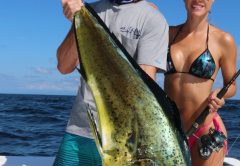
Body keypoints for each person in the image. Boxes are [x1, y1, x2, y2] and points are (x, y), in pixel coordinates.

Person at [54, 0, 169, 165]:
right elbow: (64, 66)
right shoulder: (89, 11)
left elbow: (144, 90)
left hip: (122, 142)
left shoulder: (153, 19)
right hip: (79, 131)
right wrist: (78, 21)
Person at [164, 0, 237, 165]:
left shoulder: (224, 40)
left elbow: (231, 85)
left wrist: (220, 94)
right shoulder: (167, 34)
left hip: (205, 131)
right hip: (170, 132)